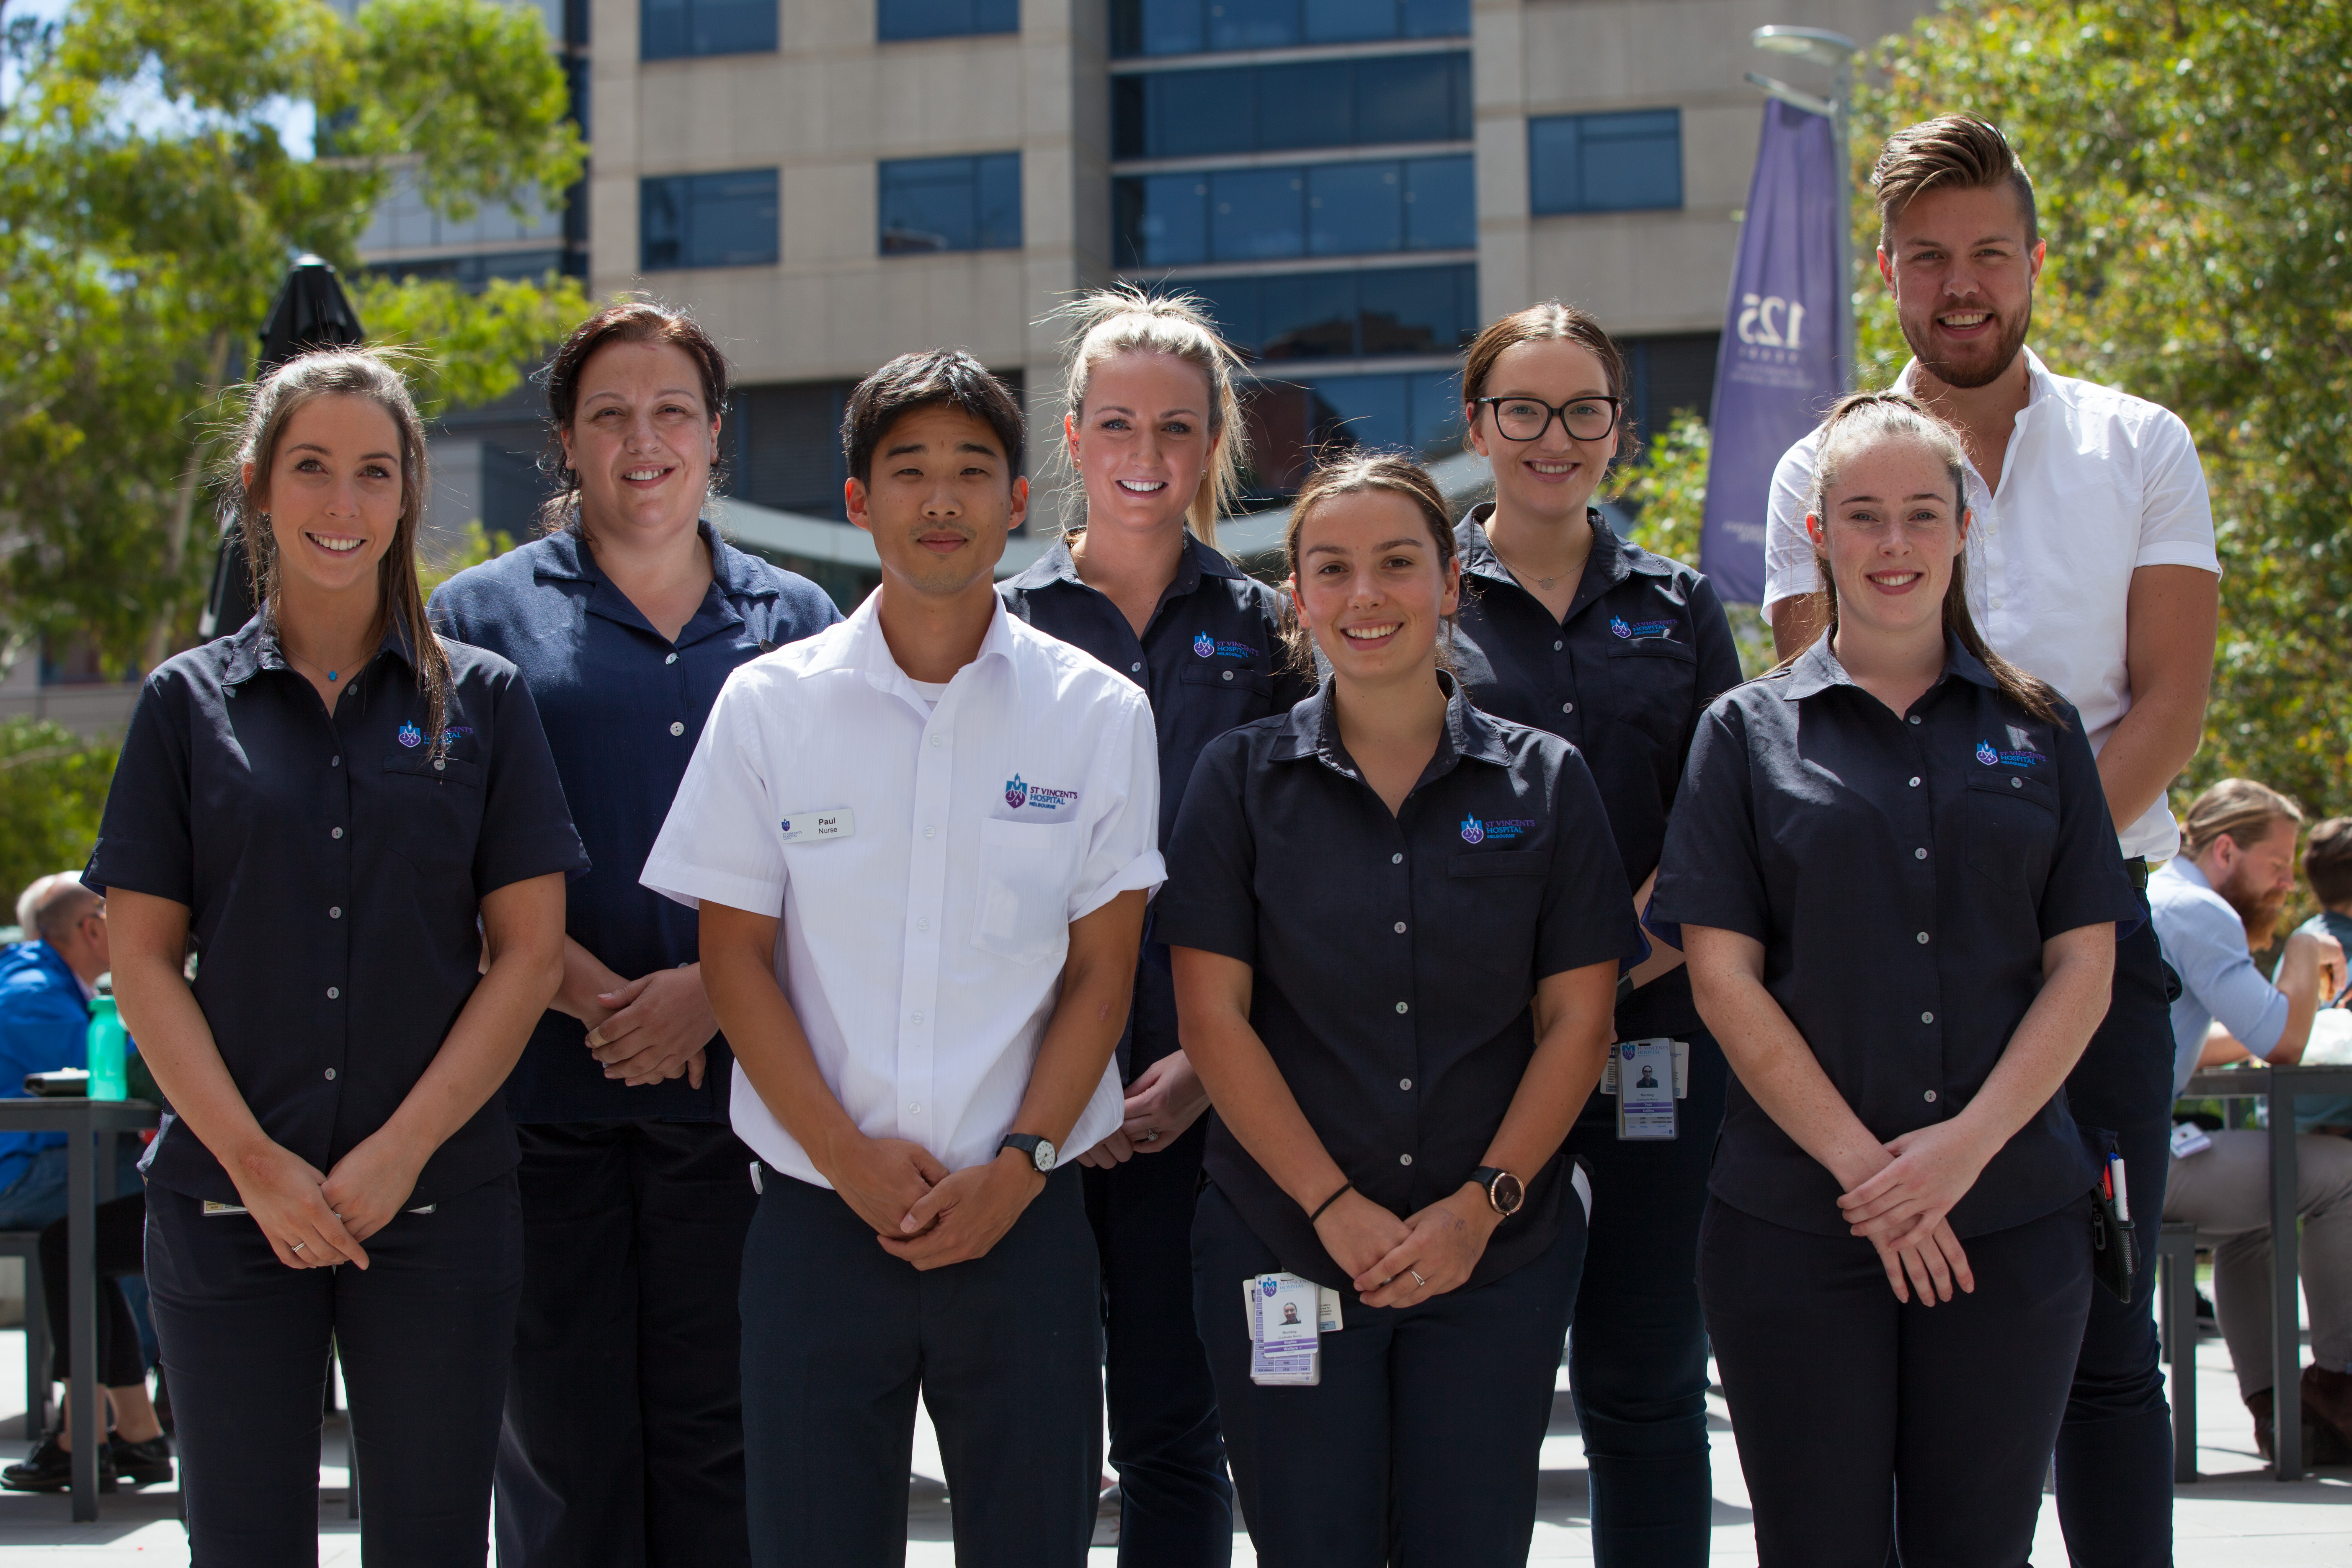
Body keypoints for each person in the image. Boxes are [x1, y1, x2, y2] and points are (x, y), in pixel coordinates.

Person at [1759, 116, 2218, 1564]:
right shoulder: (1816, 470)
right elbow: (1816, 726)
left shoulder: (2140, 443)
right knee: (1903, 1333)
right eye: (1928, 258)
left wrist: (2043, 898)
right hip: (1871, 976)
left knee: (2108, 1346)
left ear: (2034, 259)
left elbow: (2171, 704)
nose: (1961, 286)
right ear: (1886, 269)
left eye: (1989, 254)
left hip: (2097, 957)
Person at [642, 349, 1162, 1568]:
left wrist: (1022, 1165)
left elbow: (1104, 974)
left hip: (1025, 1220)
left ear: (1018, 500)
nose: (941, 500)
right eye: (908, 470)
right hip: (819, 1223)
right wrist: (843, 1155)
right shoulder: (769, 705)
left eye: (972, 471)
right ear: (857, 500)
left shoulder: (1097, 713)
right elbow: (734, 959)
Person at [90, 348, 584, 1562]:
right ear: (257, 486)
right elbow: (142, 963)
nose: (342, 503)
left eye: (374, 471)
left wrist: (400, 1150)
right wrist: (256, 1163)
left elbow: (529, 955)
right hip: (226, 1205)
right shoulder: (182, 705)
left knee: (432, 1540)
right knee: (243, 1540)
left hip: (441, 1200)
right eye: (311, 467)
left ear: (409, 490)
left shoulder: (485, 699)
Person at [1662, 393, 2143, 1563]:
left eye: (1922, 513)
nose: (1894, 542)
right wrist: (1872, 1175)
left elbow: (2084, 962)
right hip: (1798, 1222)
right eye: (1864, 514)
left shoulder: (2041, 730)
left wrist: (1963, 1150)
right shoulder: (1742, 733)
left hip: (2008, 1216)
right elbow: (1723, 978)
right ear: (1818, 533)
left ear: (1964, 528)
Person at [1157, 452, 1639, 1566]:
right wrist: (1332, 1206)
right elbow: (1213, 1021)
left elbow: (1581, 1024)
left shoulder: (1547, 782)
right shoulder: (1238, 780)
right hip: (1284, 1240)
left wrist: (1481, 1205)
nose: (1365, 595)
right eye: (1332, 568)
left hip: (1495, 1255)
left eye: (1396, 563)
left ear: (1451, 582)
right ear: (1297, 597)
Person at [429, 298, 840, 1568]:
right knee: (564, 1457)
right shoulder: (474, 617)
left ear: (716, 434)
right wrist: (595, 997)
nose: (642, 440)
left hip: (746, 1107)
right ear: (566, 441)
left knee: (729, 1452)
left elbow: (841, 857)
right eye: (609, 414)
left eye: (672, 411)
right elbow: (445, 862)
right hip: (541, 1104)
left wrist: (712, 991)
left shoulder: (802, 618)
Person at [998, 287, 1308, 1566]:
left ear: (1214, 442)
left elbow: (1301, 880)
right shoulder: (999, 631)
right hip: (1023, 1108)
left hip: (1204, 1103)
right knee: (1032, 1444)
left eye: (1176, 427)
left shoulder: (1271, 635)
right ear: (1071, 437)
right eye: (1117, 423)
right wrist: (1052, 1087)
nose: (1145, 453)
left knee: (1179, 1438)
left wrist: (1202, 1069)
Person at [1443, 299, 1745, 1565]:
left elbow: (1726, 825)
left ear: (1620, 428)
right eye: (1524, 409)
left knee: (1647, 1377)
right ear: (1477, 426)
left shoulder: (1680, 608)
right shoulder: (1417, 595)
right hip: (1470, 1052)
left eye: (1583, 411)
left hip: (1658, 1041)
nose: (1553, 437)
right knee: (1470, 1383)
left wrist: (1596, 984)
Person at [2146, 780, 2352, 1459]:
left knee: (2263, 1202)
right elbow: (2282, 1044)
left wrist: (2271, 1023)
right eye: (2278, 864)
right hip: (2134, 1164)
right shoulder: (2202, 910)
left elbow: (2187, 1041)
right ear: (2227, 850)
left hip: (2107, 1150)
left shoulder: (2161, 894)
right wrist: (2305, 951)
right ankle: (2338, 1381)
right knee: (2342, 1174)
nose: (2288, 884)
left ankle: (2277, 1409)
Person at [0, 875, 121, 1230]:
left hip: (30, 1161)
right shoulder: (33, 994)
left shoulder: (47, 984)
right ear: (92, 929)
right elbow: (119, 1069)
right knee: (167, 1170)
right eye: (117, 915)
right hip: (15, 1174)